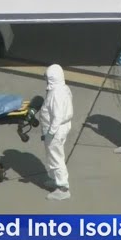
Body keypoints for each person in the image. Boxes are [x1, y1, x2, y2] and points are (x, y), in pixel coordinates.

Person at [39, 64, 74, 200]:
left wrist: (51, 133)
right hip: (62, 128)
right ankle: (55, 179)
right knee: (54, 156)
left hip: (55, 131)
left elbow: (57, 117)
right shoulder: (63, 88)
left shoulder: (55, 94)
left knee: (56, 158)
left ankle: (62, 188)